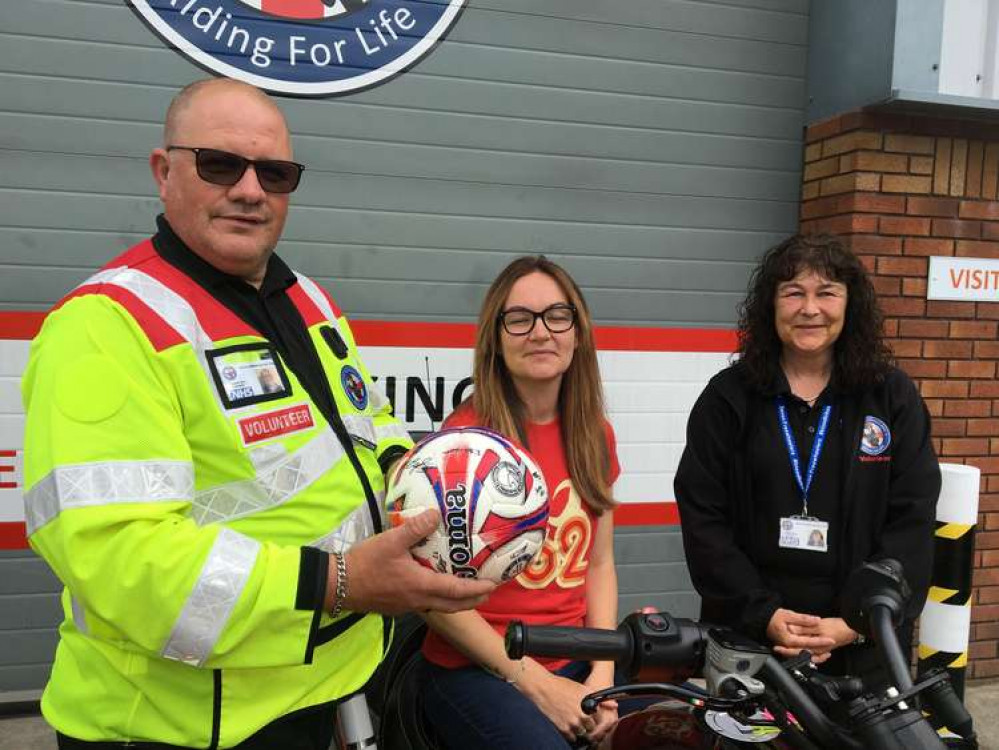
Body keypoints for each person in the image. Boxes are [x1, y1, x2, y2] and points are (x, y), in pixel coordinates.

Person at [20, 78, 493, 750]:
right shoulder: (106, 327)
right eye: (220, 165)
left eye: (274, 173)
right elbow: (123, 562)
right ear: (163, 172)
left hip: (319, 690)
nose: (250, 190)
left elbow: (372, 430)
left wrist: (435, 496)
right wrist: (341, 582)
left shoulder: (306, 299)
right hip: (169, 727)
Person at [674, 234, 940, 679]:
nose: (810, 308)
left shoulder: (891, 397)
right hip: (749, 640)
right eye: (793, 292)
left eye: (826, 293)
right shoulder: (728, 398)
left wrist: (855, 622)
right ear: (771, 307)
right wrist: (765, 615)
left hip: (861, 644)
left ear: (849, 305)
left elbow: (912, 517)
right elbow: (704, 518)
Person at [419, 256, 622, 749]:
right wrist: (538, 686)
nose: (540, 332)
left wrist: (603, 678)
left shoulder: (595, 435)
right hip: (478, 667)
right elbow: (431, 597)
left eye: (557, 315)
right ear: (497, 336)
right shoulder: (464, 444)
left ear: (578, 332)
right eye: (520, 318)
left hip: (576, 657)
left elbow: (599, 565)